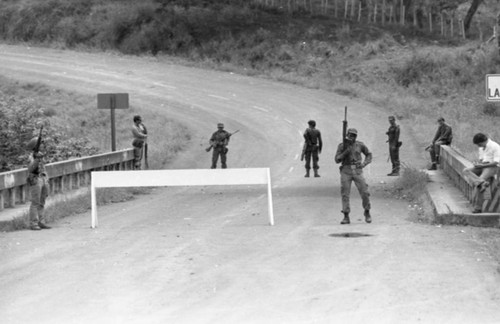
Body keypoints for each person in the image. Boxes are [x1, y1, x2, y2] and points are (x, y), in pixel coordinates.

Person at [335, 128, 372, 224]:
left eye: (354, 135)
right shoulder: (342, 146)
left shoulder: (360, 145)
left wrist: (364, 164)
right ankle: (346, 215)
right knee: (345, 194)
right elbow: (337, 159)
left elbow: (369, 155)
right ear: (347, 135)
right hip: (346, 170)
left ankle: (367, 211)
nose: (352, 137)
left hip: (357, 170)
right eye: (350, 135)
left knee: (364, 192)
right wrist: (345, 152)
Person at [463, 133, 500, 213]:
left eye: (479, 144)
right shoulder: (481, 148)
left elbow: (496, 162)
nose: (479, 146)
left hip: (492, 167)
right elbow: (481, 159)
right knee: (466, 170)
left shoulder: (495, 146)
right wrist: (478, 164)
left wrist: (483, 165)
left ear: (484, 141)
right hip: (483, 165)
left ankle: (478, 208)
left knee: (479, 185)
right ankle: (482, 183)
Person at [26, 136, 51, 230]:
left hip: (43, 178)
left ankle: (41, 221)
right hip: (35, 179)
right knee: (35, 202)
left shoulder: (40, 154)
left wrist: (46, 179)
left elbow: (44, 167)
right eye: (41, 144)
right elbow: (30, 169)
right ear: (36, 146)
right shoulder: (31, 157)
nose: (43, 145)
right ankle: (33, 223)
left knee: (42, 202)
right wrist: (36, 159)